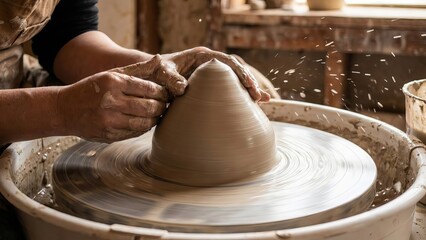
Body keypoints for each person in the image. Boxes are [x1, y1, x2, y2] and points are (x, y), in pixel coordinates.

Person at [0, 0, 272, 239]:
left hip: (13, 78)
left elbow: (67, 36)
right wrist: (59, 109)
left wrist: (156, 68)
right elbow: (59, 107)